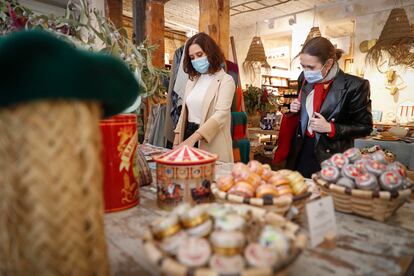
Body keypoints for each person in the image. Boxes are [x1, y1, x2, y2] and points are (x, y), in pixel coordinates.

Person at [284, 36, 373, 178]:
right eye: (303, 66)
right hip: (301, 151)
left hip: (331, 155)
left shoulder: (355, 86)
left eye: (311, 67)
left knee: (327, 197)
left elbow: (365, 127)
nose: (306, 72)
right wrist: (295, 107)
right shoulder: (304, 78)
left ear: (329, 63)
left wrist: (331, 128)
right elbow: (307, 107)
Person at [173, 32, 235, 162]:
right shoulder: (192, 80)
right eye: (192, 57)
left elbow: (221, 115)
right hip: (188, 134)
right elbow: (184, 112)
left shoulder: (226, 80)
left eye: (199, 55)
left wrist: (192, 139)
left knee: (209, 179)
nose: (196, 60)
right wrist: (176, 141)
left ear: (210, 53)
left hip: (210, 140)